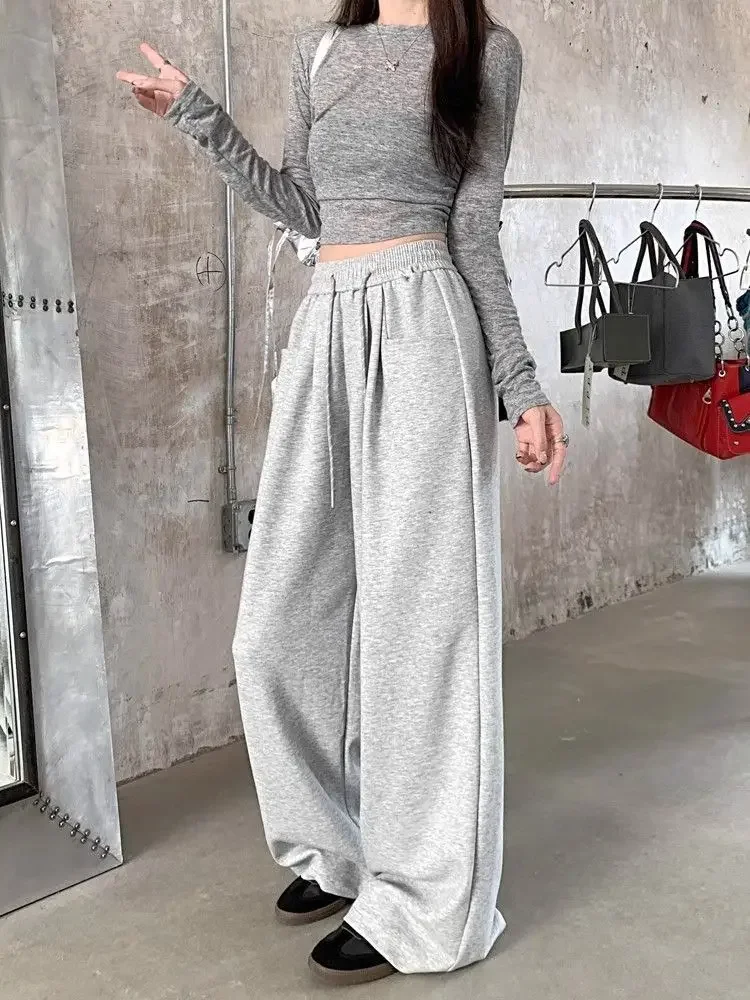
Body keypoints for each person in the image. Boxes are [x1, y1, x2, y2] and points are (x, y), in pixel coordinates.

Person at [117, 0, 568, 986]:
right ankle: (341, 846)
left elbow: (476, 227)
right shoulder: (319, 49)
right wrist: (198, 116)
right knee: (279, 623)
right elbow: (305, 207)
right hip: (327, 321)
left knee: (423, 628)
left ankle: (427, 901)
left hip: (425, 325)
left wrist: (521, 386)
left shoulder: (485, 54)